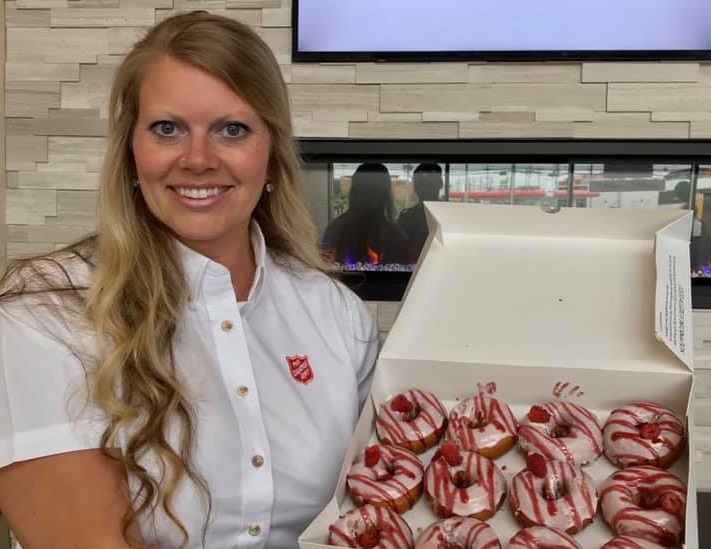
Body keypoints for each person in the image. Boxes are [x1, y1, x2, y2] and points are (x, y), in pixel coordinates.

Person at [0, 12, 378, 549]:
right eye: (167, 129)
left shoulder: (339, 316)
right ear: (131, 152)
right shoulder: (44, 310)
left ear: (270, 154)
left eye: (232, 129)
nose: (198, 159)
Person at [322, 163, 414, 267]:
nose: (371, 199)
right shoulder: (396, 235)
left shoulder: (336, 229)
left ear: (354, 192)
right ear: (386, 195)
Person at [397, 163, 444, 259]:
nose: (423, 186)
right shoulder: (452, 215)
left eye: (428, 182)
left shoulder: (407, 217)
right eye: (420, 182)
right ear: (441, 184)